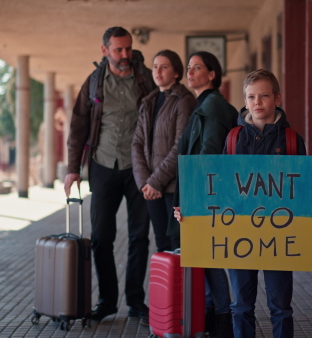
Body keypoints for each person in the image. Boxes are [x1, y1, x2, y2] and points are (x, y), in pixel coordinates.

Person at [179, 69, 312, 337]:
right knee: (241, 305)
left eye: (264, 96)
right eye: (251, 97)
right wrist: (192, 211)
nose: (257, 102)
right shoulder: (233, 139)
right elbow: (219, 187)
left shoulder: (292, 140)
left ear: (277, 98)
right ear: (245, 102)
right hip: (239, 234)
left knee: (281, 306)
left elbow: (302, 188)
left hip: (278, 236)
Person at [64, 26, 156, 325]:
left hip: (139, 169)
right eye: (118, 49)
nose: (125, 55)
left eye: (128, 48)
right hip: (102, 166)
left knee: (139, 237)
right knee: (102, 237)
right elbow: (78, 127)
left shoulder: (145, 80)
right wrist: (72, 169)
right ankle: (106, 300)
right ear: (105, 50)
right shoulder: (93, 83)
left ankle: (135, 301)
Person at [169, 51, 237, 338]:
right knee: (202, 255)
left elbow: (207, 155)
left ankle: (221, 317)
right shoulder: (205, 105)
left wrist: (195, 199)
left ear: (212, 74)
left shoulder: (212, 106)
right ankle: (214, 313)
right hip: (202, 191)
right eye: (189, 68)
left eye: (197, 68)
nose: (190, 72)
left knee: (207, 257)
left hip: (205, 193)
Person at [132, 50, 196, 251]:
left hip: (173, 189)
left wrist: (155, 182)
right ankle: (166, 284)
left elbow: (180, 145)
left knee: (178, 245)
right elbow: (137, 143)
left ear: (176, 72)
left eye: (164, 66)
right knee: (161, 243)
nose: (157, 71)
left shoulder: (184, 100)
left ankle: (180, 284)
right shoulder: (149, 102)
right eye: (155, 66)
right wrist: (145, 183)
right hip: (152, 190)